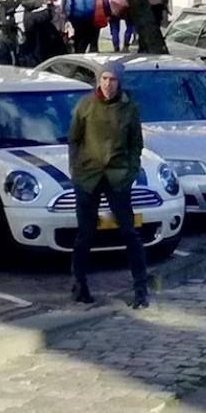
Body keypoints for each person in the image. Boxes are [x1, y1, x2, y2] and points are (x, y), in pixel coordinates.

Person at [66, 65, 149, 309]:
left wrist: (130, 172)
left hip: (118, 177)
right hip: (88, 176)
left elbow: (136, 143)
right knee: (85, 234)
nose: (108, 84)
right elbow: (73, 139)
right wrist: (77, 171)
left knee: (129, 233)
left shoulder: (129, 108)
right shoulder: (86, 105)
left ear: (119, 82)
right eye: (104, 78)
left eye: (112, 79)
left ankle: (140, 288)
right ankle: (79, 285)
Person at [16, 0, 65, 64]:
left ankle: (33, 65)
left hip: (29, 15)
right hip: (42, 13)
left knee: (31, 43)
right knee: (44, 42)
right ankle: (44, 63)